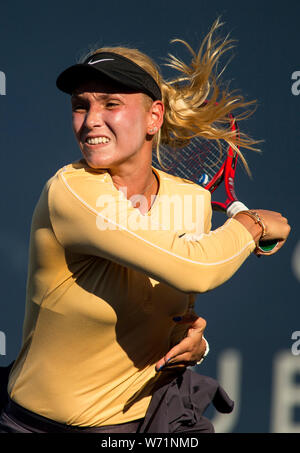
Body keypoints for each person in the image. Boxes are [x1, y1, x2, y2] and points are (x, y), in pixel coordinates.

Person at [0, 20, 290, 433]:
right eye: (81, 105)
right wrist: (252, 225)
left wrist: (195, 345)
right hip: (39, 426)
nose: (89, 120)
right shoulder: (70, 193)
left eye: (110, 104)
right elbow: (198, 268)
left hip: (151, 421)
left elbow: (174, 311)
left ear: (154, 117)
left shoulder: (192, 200)